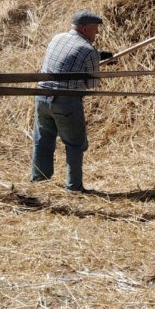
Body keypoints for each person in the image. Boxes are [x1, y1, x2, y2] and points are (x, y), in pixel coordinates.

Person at [30, 10, 111, 192]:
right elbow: (92, 83)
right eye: (95, 29)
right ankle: (74, 187)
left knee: (43, 139)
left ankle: (39, 181)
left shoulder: (57, 38)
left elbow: (65, 59)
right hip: (66, 100)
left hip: (42, 95)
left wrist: (96, 57)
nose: (97, 33)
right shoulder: (89, 51)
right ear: (84, 28)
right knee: (75, 143)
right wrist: (95, 63)